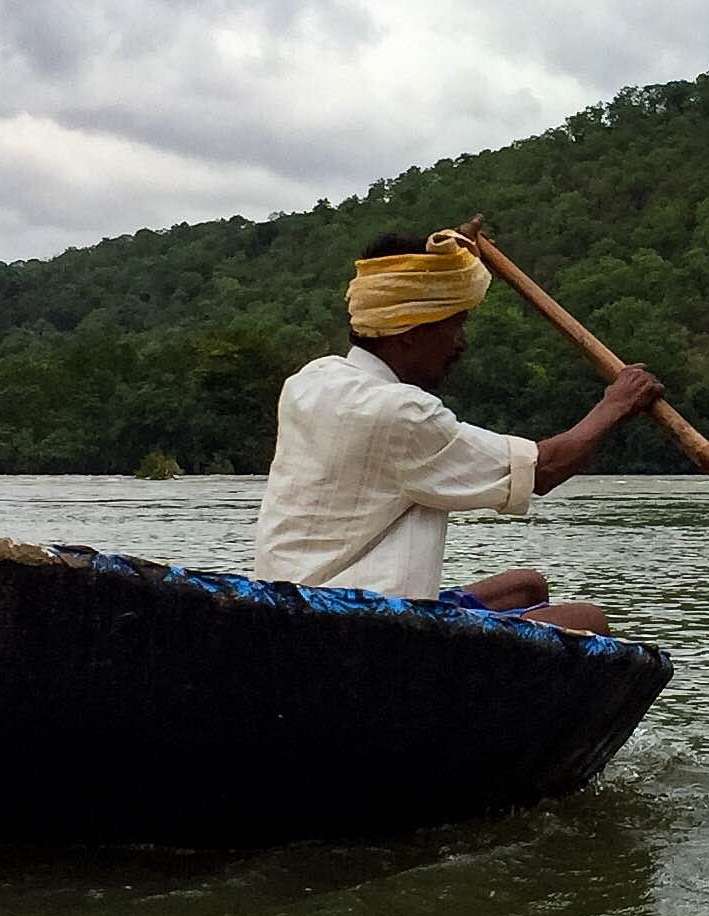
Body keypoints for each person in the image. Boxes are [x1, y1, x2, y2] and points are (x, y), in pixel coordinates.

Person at [250, 227, 662, 630]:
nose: (460, 343)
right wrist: (618, 403)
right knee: (586, 621)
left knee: (526, 587)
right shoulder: (403, 413)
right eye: (454, 326)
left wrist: (456, 257)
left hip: (289, 605)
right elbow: (545, 469)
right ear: (409, 333)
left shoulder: (311, 380)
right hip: (359, 624)